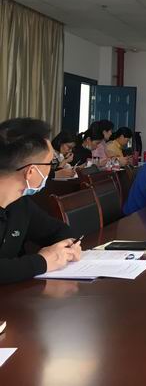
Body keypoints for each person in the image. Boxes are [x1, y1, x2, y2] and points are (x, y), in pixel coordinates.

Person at [0, 118, 82, 284]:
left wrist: (68, 247)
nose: (51, 169)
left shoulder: (20, 204)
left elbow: (58, 230)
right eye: (49, 163)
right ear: (31, 171)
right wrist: (43, 261)